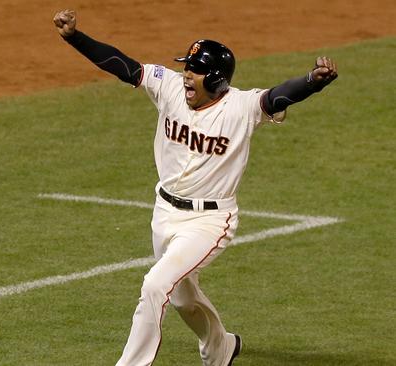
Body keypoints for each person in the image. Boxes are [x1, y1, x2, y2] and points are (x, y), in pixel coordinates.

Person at [53, 9, 338, 366]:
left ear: (217, 80)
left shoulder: (241, 107)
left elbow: (278, 97)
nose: (187, 75)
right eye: (187, 66)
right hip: (164, 213)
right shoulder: (169, 86)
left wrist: (313, 81)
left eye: (196, 70)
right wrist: (75, 38)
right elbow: (124, 66)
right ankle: (221, 348)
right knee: (183, 299)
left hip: (209, 222)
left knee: (156, 286)